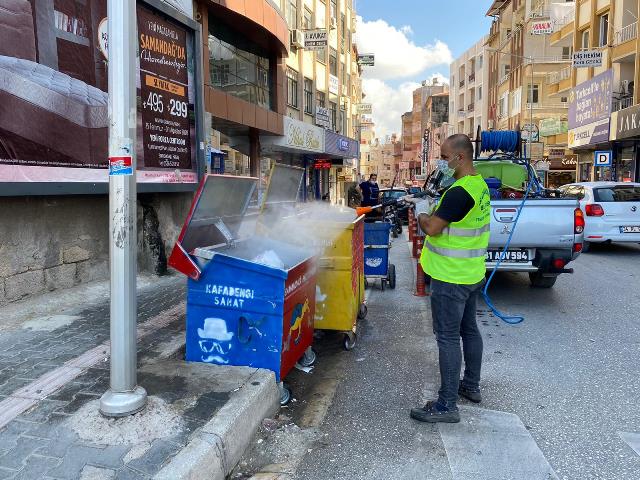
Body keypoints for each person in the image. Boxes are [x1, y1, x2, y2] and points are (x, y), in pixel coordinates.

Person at [410, 134, 490, 424]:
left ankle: (446, 405)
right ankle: (470, 385)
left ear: (460, 157)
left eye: (444, 157)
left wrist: (420, 210)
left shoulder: (459, 193)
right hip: (470, 274)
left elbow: (432, 228)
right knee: (469, 330)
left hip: (450, 277)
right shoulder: (478, 186)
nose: (442, 163)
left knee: (447, 338)